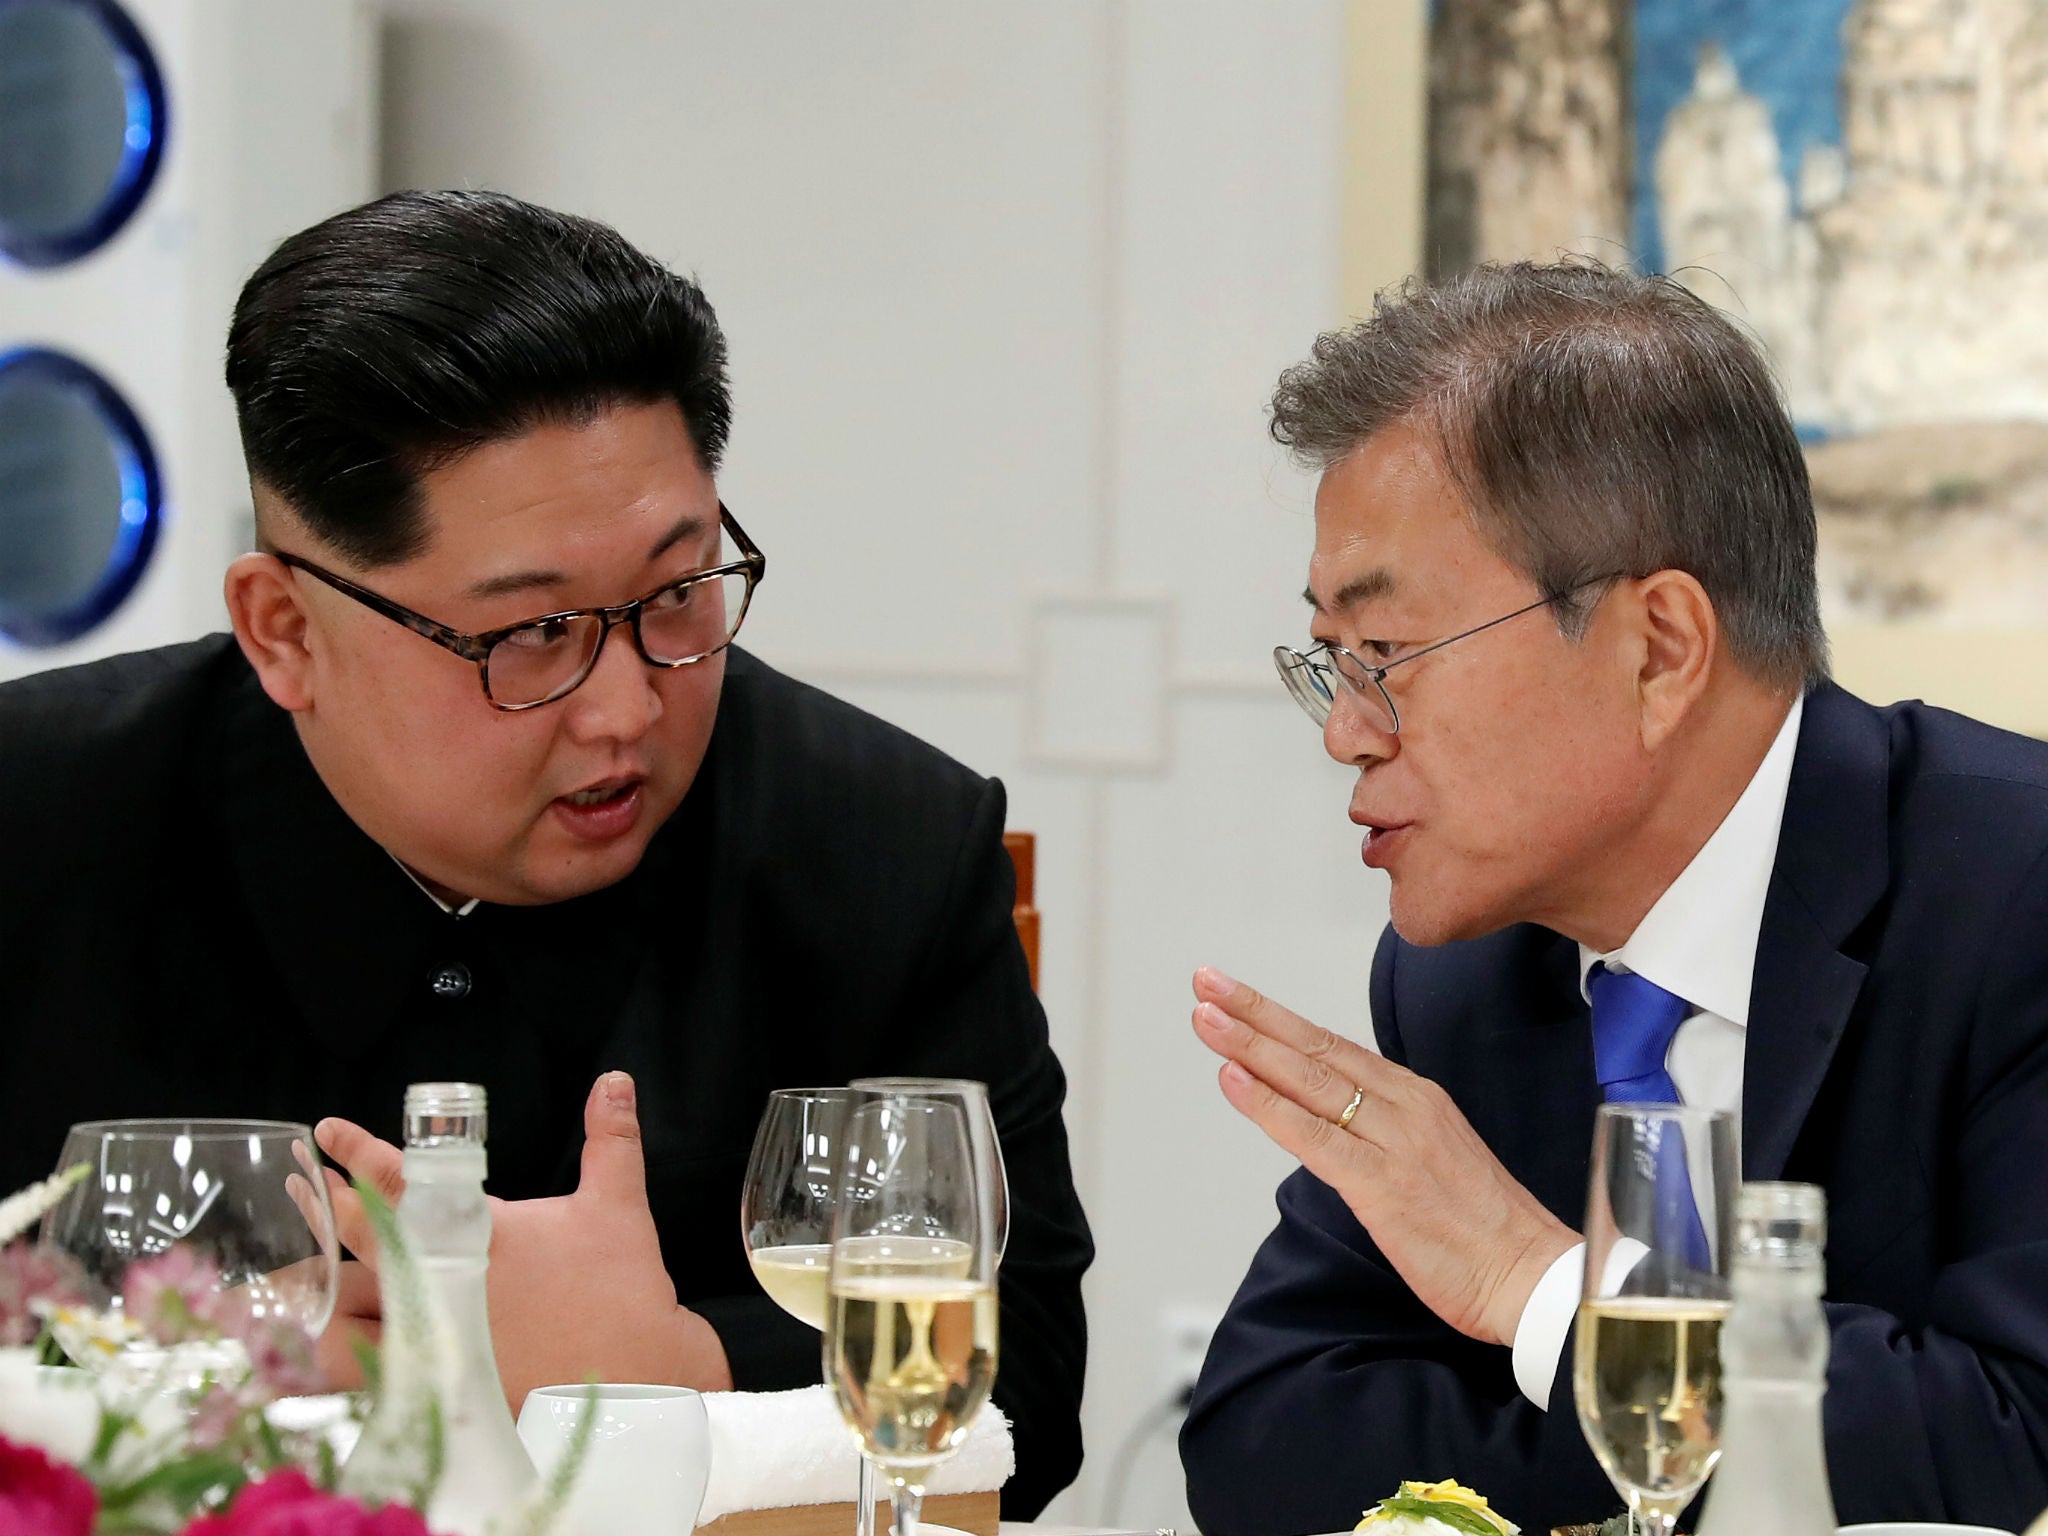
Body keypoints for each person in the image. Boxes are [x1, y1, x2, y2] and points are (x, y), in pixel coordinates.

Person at [0, 189, 1090, 1516]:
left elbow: (1028, 1392)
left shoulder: (883, 846)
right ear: (284, 629)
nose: (629, 707)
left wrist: (666, 1375)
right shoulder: (38, 822)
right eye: (531, 636)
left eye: (679, 593)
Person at [1179, 259, 2048, 1535]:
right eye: (1328, 662)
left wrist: (1537, 1292)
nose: (1346, 733)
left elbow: (2010, 1445)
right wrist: (1670, 1458)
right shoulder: (1459, 974)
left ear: (1659, 649)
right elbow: (1266, 1436)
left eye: (1387, 655)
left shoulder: (2014, 894)